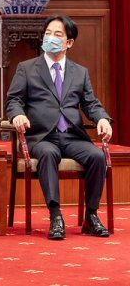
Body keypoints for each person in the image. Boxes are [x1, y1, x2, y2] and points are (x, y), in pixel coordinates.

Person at [6, 15, 112, 240]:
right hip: (42, 137)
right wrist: (18, 115)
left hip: (73, 136)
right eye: (47, 33)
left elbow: (90, 104)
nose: (50, 38)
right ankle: (55, 216)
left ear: (69, 43)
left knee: (97, 156)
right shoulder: (27, 68)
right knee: (48, 154)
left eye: (57, 35)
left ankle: (91, 216)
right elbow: (13, 100)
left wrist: (102, 118)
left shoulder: (79, 72)